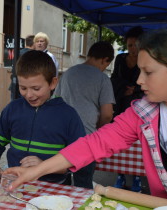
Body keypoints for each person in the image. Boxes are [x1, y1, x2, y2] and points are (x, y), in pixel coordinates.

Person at [5, 29, 167, 210]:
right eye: (139, 72)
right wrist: (37, 171)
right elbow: (94, 144)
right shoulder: (144, 113)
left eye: (148, 72)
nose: (139, 81)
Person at [0, 50, 86, 186]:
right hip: (16, 184)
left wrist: (44, 166)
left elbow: (79, 157)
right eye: (23, 88)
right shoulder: (12, 109)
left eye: (36, 88)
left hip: (54, 188)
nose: (29, 95)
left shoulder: (68, 115)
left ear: (52, 83)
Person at [54, 41, 116, 189]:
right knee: (83, 183)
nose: (104, 68)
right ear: (104, 60)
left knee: (61, 181)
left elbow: (55, 101)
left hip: (61, 135)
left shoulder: (68, 73)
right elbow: (108, 114)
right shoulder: (103, 79)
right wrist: (98, 128)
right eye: (106, 65)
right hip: (86, 138)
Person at [109, 26, 144, 192]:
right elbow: (114, 78)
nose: (133, 49)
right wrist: (125, 88)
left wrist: (135, 90)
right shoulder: (121, 59)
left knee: (138, 140)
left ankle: (138, 176)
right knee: (120, 138)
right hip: (122, 102)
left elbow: (151, 80)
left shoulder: (146, 59)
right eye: (130, 45)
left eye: (136, 45)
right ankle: (120, 174)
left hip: (139, 104)